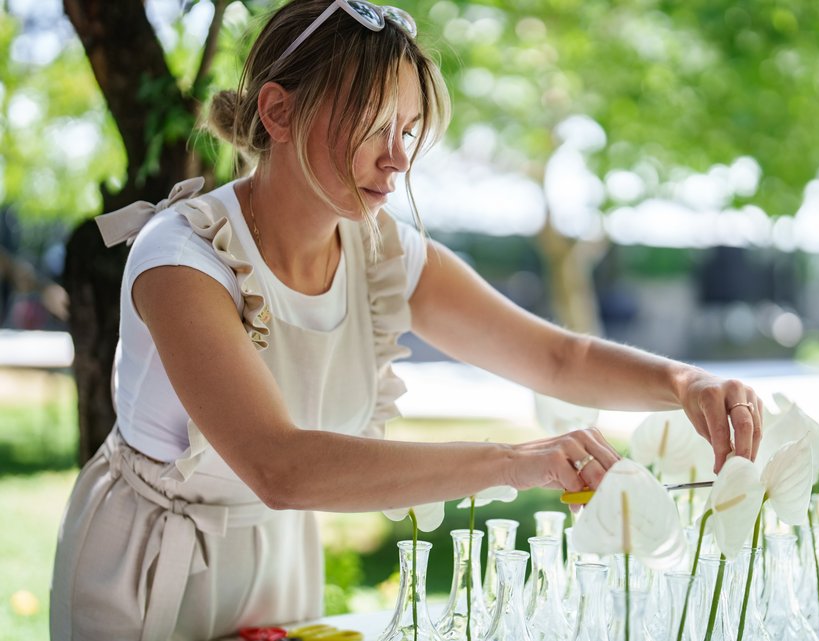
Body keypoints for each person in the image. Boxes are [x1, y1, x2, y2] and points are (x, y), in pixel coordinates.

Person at [50, 1, 764, 639]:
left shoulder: (384, 252)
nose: (397, 159)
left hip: (280, 554)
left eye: (411, 128)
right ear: (278, 111)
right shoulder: (183, 254)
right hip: (147, 568)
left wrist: (683, 381)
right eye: (374, 126)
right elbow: (281, 465)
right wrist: (516, 463)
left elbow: (559, 360)